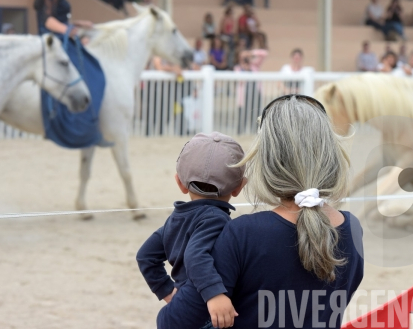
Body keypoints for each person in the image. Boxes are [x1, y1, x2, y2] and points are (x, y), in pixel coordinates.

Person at [158, 95, 365, 328]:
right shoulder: (352, 228)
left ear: (267, 160)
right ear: (331, 155)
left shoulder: (243, 234)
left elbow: (174, 323)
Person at [137, 132, 246, 328]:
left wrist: (168, 292)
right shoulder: (216, 219)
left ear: (180, 183)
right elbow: (195, 255)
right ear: (239, 188)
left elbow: (145, 256)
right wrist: (214, 295)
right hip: (202, 312)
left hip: (181, 304)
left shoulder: (175, 219)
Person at [33, 0, 106, 148]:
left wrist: (77, 24)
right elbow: (48, 21)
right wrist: (70, 31)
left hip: (60, 38)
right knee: (91, 73)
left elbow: (56, 19)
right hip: (55, 43)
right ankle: (82, 127)